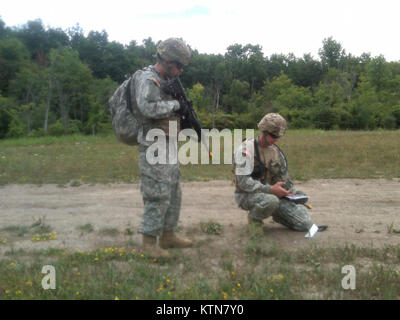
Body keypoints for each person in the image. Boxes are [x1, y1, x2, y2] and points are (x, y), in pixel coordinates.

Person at [133, 38, 193, 258]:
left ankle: (168, 234)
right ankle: (149, 242)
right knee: (156, 191)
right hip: (152, 144)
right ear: (166, 61)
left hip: (168, 141)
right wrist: (176, 105)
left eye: (183, 66)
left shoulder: (168, 80)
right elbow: (146, 107)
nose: (181, 70)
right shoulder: (148, 78)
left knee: (173, 189)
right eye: (178, 65)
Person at [233, 113, 327, 232]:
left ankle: (279, 214)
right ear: (264, 131)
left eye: (278, 136)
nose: (275, 139)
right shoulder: (245, 151)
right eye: (273, 135)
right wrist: (270, 190)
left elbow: (283, 179)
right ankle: (254, 219)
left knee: (305, 224)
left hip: (272, 194)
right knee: (271, 201)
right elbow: (243, 183)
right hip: (246, 195)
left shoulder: (276, 153)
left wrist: (292, 193)